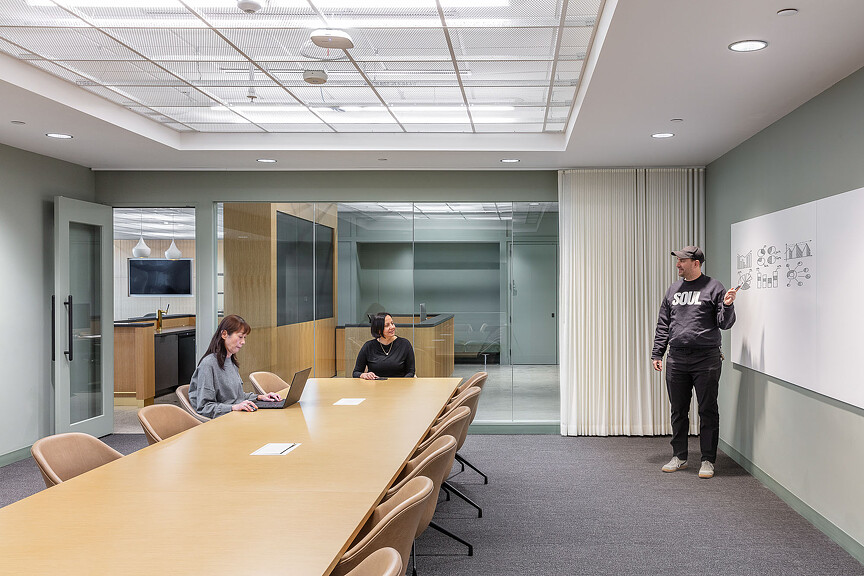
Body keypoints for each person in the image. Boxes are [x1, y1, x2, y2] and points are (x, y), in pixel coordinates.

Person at [651, 246, 738, 479]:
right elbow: (663, 324)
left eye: (682, 261)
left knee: (707, 410)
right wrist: (657, 353)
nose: (678, 264)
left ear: (696, 263)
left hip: (706, 359)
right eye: (678, 260)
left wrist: (728, 305)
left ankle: (708, 460)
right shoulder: (673, 290)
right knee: (678, 410)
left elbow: (724, 323)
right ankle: (679, 456)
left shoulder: (714, 287)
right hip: (677, 358)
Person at [188, 314, 281, 419]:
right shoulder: (208, 365)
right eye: (240, 337)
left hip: (236, 416)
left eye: (244, 338)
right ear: (224, 334)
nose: (243, 342)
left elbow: (236, 397)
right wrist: (233, 408)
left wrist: (260, 397)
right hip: (221, 422)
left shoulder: (230, 361)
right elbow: (204, 408)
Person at [352, 312, 415, 379]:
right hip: (375, 387)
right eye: (387, 325)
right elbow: (356, 372)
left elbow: (410, 372)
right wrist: (364, 375)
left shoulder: (405, 344)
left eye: (392, 323)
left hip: (399, 387)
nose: (392, 327)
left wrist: (402, 383)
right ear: (378, 330)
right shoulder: (368, 346)